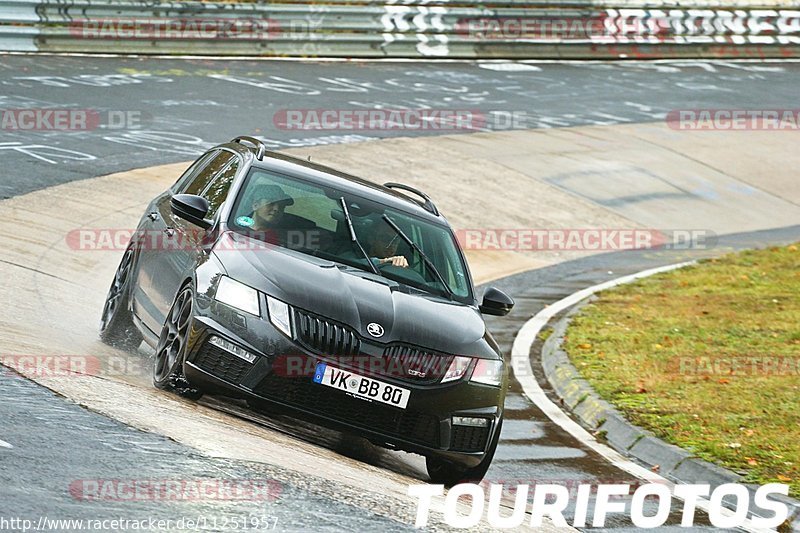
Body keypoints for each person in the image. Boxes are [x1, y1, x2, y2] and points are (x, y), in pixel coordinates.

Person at [246, 184, 316, 246]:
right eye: (271, 203)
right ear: (255, 205)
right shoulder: (237, 228)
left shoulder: (281, 239)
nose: (277, 209)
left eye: (282, 206)